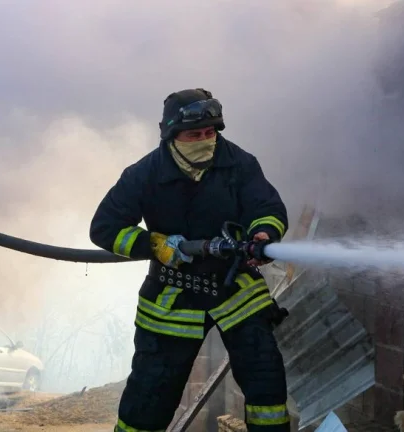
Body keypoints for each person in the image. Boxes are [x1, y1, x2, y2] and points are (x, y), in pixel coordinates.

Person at [90, 88, 291, 432]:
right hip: (173, 295)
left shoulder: (239, 163)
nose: (205, 141)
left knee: (266, 382)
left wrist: (263, 233)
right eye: (194, 135)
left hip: (236, 289)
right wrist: (154, 245)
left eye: (210, 132)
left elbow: (267, 208)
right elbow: (105, 228)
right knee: (149, 399)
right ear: (172, 135)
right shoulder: (144, 174)